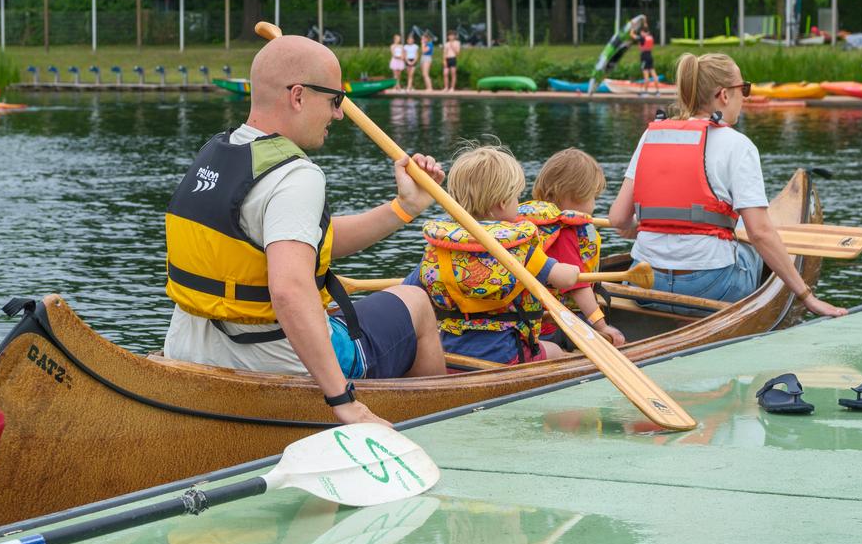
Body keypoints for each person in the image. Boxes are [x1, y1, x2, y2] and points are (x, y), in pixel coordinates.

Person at [163, 34, 447, 427]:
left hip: (189, 349)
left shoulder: (219, 153)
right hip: (269, 357)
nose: (339, 114)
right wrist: (343, 400)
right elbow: (289, 289)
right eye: (335, 100)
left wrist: (404, 208)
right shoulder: (297, 176)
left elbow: (303, 243)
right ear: (298, 96)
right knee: (416, 302)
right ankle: (436, 425)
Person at [608, 52, 848, 318]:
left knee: (743, 226)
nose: (745, 96)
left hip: (645, 281)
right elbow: (761, 234)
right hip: (710, 287)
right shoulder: (738, 145)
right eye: (743, 89)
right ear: (724, 95)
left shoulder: (651, 136)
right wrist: (807, 297)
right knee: (751, 228)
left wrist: (656, 230)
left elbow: (618, 219)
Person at [401, 143, 607, 365]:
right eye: (516, 197)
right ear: (502, 203)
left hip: (448, 355)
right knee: (555, 351)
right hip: (506, 354)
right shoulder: (519, 250)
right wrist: (574, 269)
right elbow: (565, 278)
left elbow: (407, 294)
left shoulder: (438, 250)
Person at [520, 149, 625, 348]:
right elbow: (577, 287)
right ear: (571, 195)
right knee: (615, 338)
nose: (594, 204)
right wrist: (602, 326)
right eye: (592, 197)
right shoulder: (565, 233)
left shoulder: (536, 224)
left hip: (538, 319)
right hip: (557, 324)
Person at [631, 16, 659, 96]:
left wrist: (633, 26)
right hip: (650, 56)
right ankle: (657, 92)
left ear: (643, 32)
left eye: (641, 32)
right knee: (654, 75)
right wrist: (645, 21)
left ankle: (646, 92)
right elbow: (646, 27)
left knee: (646, 76)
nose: (640, 33)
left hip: (644, 58)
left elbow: (632, 35)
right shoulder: (650, 37)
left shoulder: (642, 38)